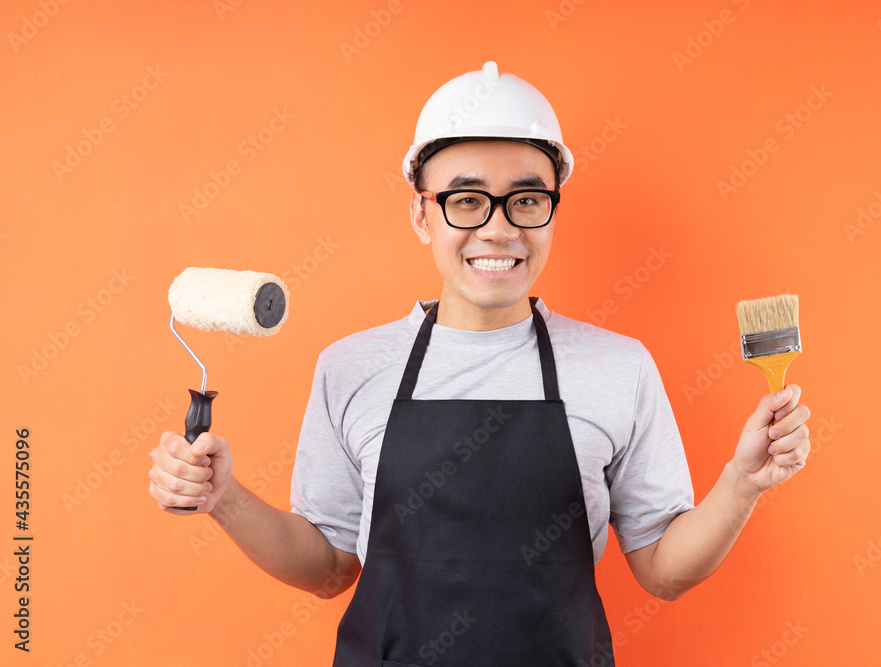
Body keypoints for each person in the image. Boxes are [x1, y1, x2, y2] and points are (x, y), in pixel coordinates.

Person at [148, 61, 811, 666]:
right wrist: (223, 498)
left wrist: (742, 482)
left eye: (526, 199)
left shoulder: (620, 368)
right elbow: (329, 568)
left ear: (553, 210)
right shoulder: (350, 368)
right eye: (466, 200)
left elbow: (664, 571)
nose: (498, 228)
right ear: (421, 213)